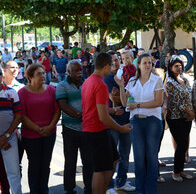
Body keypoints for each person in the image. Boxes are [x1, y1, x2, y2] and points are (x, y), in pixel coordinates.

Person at [81, 53, 132, 194]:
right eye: (112, 64)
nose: (114, 67)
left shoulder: (88, 81)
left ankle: (103, 190)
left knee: (113, 160)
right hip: (96, 130)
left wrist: (113, 110)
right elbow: (102, 116)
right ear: (106, 66)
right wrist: (121, 128)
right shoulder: (100, 84)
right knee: (100, 169)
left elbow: (96, 109)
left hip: (95, 129)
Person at [118, 53, 164, 194]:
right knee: (138, 158)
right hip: (136, 121)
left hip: (153, 123)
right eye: (144, 63)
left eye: (149, 62)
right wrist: (121, 87)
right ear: (139, 65)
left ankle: (150, 190)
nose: (147, 65)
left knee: (151, 157)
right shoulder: (132, 81)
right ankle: (140, 190)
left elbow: (158, 102)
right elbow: (125, 103)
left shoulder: (157, 80)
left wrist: (137, 105)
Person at [18, 63, 60, 193]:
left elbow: (57, 111)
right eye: (39, 74)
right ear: (30, 77)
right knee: (34, 165)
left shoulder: (51, 90)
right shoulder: (22, 92)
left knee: (45, 165)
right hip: (30, 136)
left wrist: (50, 127)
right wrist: (38, 129)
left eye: (43, 73)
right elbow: (22, 116)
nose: (43, 76)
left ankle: (44, 190)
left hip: (50, 134)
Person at [56, 60, 93, 194]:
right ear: (68, 72)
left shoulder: (87, 83)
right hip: (70, 129)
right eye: (75, 71)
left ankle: (89, 188)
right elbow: (63, 105)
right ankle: (69, 189)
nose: (79, 73)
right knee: (70, 162)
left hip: (87, 129)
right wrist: (79, 115)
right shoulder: (62, 85)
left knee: (88, 161)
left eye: (80, 70)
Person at [103, 51, 135, 192]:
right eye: (112, 61)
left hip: (126, 119)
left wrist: (121, 98)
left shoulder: (126, 75)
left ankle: (121, 181)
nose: (115, 63)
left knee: (125, 154)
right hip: (112, 122)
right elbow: (113, 99)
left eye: (117, 60)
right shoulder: (107, 79)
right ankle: (109, 185)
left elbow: (126, 98)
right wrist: (118, 99)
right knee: (111, 155)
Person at [166, 56, 195, 182]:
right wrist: (190, 112)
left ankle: (181, 170)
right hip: (175, 117)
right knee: (181, 144)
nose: (179, 68)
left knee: (185, 144)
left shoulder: (184, 79)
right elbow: (176, 101)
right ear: (171, 68)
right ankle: (176, 172)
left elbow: (189, 97)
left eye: (180, 65)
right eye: (176, 66)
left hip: (187, 117)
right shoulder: (169, 82)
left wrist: (191, 112)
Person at [0, 67, 22, 194]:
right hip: (6, 139)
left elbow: (18, 116)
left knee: (13, 173)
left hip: (10, 139)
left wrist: (5, 136)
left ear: (2, 77)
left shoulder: (12, 92)